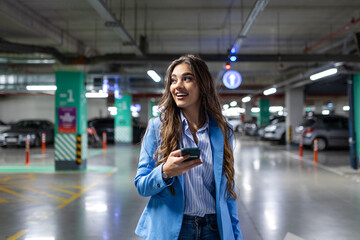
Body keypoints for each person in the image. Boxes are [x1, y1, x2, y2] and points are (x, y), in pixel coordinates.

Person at [134, 54, 243, 240]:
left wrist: (235, 235)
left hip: (214, 229)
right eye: (173, 80)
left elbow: (227, 193)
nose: (178, 86)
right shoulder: (157, 128)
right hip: (174, 230)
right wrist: (165, 171)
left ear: (203, 85)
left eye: (187, 78)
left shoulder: (223, 131)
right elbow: (142, 186)